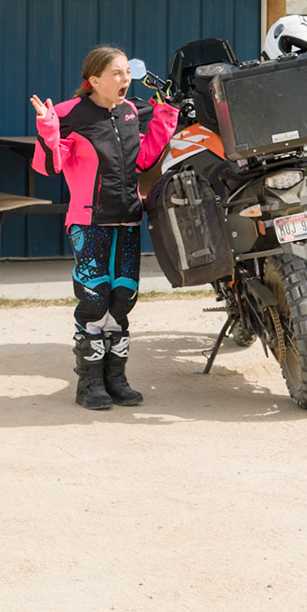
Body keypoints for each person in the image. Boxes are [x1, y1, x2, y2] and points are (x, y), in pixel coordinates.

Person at [31, 46, 178, 410]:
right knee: (94, 299)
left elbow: (144, 159)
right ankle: (89, 384)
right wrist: (48, 129)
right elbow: (49, 166)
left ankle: (117, 379)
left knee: (122, 299)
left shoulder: (130, 112)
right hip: (89, 221)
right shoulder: (67, 114)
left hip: (128, 218)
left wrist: (165, 115)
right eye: (117, 73)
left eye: (127, 72)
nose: (125, 79)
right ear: (94, 80)